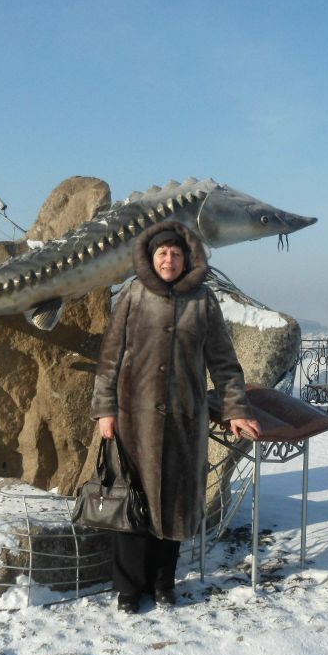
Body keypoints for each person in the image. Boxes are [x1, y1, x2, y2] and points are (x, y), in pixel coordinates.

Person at [91, 221, 260, 614]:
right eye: (162, 253)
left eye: (176, 253)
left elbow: (223, 362)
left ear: (188, 259)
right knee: (133, 503)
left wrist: (235, 409)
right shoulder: (133, 295)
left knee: (175, 504)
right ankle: (129, 588)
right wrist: (105, 410)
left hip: (185, 421)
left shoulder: (203, 301)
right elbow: (109, 358)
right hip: (134, 421)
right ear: (151, 258)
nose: (169, 259)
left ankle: (164, 582)